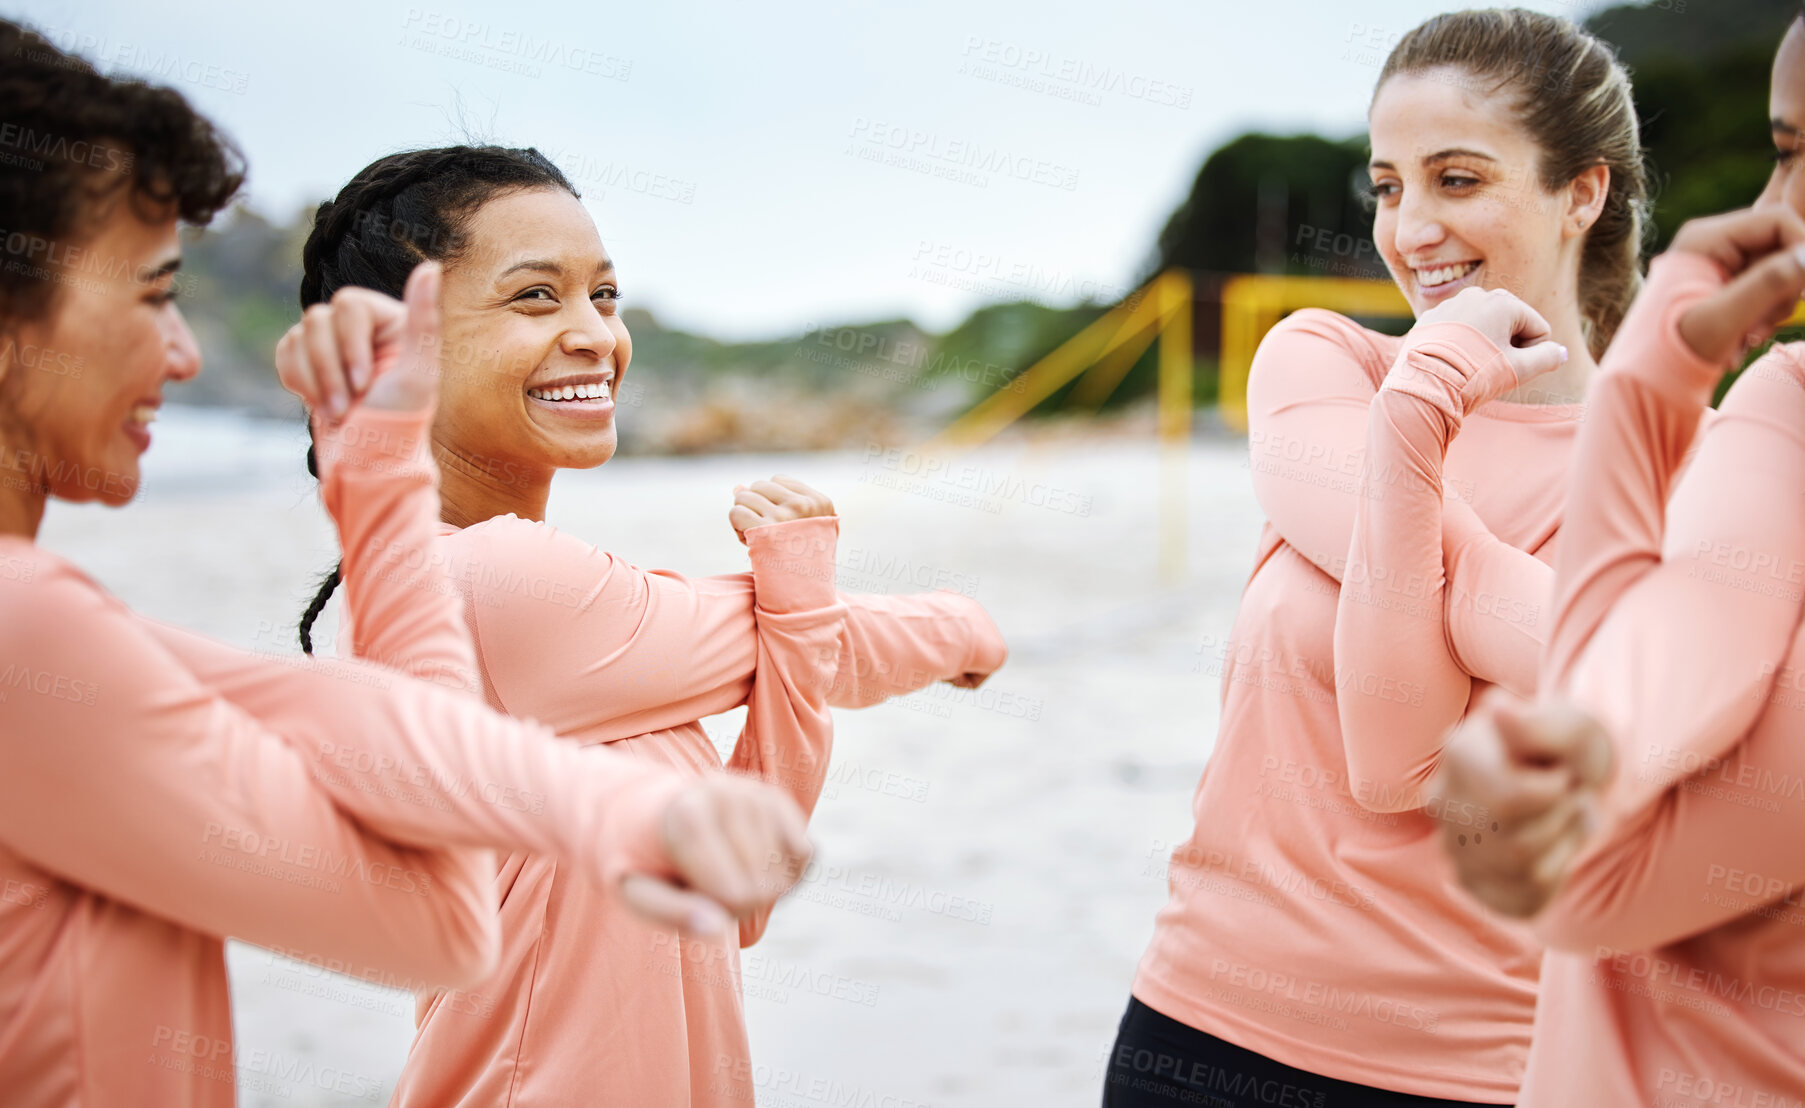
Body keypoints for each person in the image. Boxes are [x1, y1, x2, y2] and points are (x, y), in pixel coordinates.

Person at [0, 21, 815, 1105]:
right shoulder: (31, 632)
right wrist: (378, 476)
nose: (187, 352)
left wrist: (636, 815)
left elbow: (314, 721)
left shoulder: (54, 639)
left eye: (604, 295)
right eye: (153, 294)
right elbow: (429, 916)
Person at [287, 147, 1009, 1104]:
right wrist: (963, 629)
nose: (594, 334)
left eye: (606, 295)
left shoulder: (484, 604)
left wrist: (806, 608)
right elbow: (820, 642)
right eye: (535, 298)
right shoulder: (484, 581)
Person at [1108, 10, 1644, 1105]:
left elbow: (1394, 744)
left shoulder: (1668, 476)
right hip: (1199, 1031)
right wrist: (1428, 396)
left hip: (1473, 1069)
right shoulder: (1324, 363)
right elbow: (1571, 669)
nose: (1411, 230)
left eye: (1455, 179)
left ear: (1579, 192)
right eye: (1387, 186)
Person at [1429, 10, 1805, 1102]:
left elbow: (1589, 888)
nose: (1772, 209)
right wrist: (1587, 744)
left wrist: (1643, 393)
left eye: (1789, 156)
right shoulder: (1785, 402)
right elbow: (1685, 630)